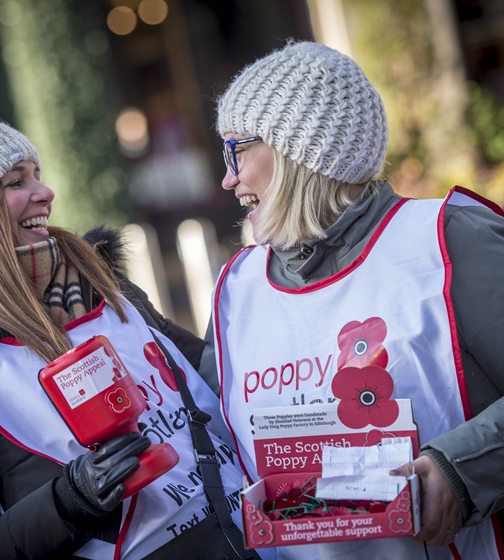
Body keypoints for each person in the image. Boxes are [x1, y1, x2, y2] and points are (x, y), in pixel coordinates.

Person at [200, 40, 504, 559]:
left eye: (237, 149)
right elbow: (212, 450)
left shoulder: (446, 238)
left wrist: (464, 470)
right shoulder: (235, 290)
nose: (228, 178)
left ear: (298, 150)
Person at [0, 116, 259, 560]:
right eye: (16, 181)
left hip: (260, 542)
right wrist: (67, 503)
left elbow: (216, 384)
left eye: (37, 175)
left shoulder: (104, 286)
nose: (45, 192)